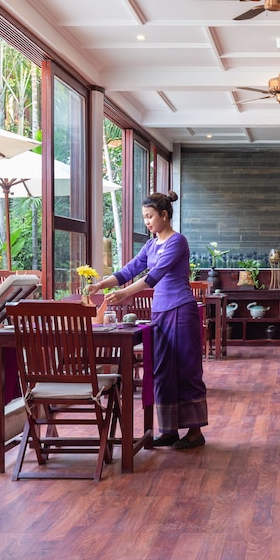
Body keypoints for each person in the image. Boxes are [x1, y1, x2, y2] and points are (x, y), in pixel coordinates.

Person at [86, 191, 207, 449]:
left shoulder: (177, 241)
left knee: (186, 369)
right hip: (160, 313)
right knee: (162, 369)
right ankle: (169, 430)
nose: (147, 222)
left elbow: (154, 275)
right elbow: (129, 270)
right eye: (144, 217)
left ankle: (195, 432)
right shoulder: (151, 245)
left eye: (150, 216)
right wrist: (101, 285)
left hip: (181, 310)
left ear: (164, 215)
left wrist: (124, 293)